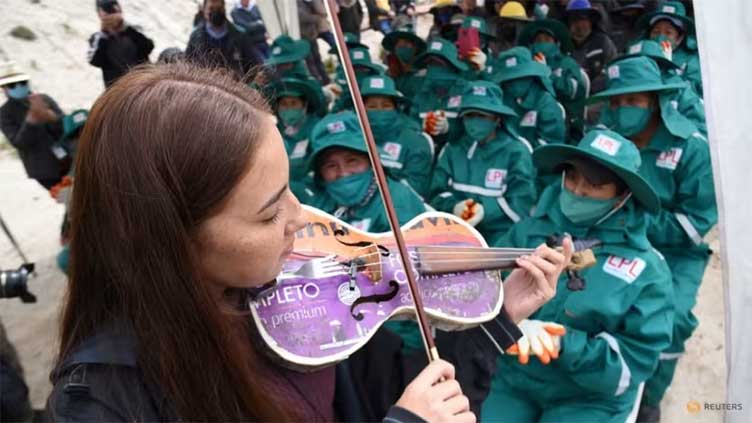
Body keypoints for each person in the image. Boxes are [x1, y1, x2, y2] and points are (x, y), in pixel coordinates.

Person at [44, 63, 479, 423]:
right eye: (269, 212)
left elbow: (389, 383)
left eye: (291, 191)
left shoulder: (288, 287)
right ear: (172, 239)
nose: (301, 218)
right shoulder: (99, 406)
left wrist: (497, 316)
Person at [483, 129, 674, 422]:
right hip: (515, 378)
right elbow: (482, 291)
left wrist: (563, 343)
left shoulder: (646, 271)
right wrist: (505, 319)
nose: (578, 191)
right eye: (572, 178)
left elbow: (632, 364)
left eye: (595, 184)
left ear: (623, 195)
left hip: (589, 399)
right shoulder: (528, 233)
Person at [588, 56, 717, 421]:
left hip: (677, 254)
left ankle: (651, 396)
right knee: (591, 308)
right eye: (615, 101)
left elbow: (696, 223)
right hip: (616, 241)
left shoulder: (692, 148)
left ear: (656, 101)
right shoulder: (608, 141)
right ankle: (602, 389)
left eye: (633, 101)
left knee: (671, 321)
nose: (621, 110)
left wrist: (635, 220)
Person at [430, 80, 536, 242]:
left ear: (497, 119)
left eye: (482, 116)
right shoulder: (452, 149)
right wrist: (454, 207)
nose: (474, 122)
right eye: (469, 116)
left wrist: (485, 210)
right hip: (456, 233)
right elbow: (436, 192)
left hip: (502, 238)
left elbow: (521, 203)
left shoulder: (517, 151)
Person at [300, 111, 427, 231]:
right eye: (331, 165)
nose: (343, 172)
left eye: (352, 161)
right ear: (320, 173)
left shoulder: (397, 203)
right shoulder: (319, 203)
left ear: (371, 161)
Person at [599, 39, 707, 137]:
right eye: (634, 65)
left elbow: (701, 134)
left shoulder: (682, 93)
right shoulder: (617, 99)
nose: (641, 70)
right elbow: (603, 129)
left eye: (649, 64)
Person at [361, 75, 434, 197]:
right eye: (372, 107)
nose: (379, 111)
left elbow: (416, 187)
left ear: (396, 108)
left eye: (386, 106)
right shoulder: (350, 137)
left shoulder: (415, 141)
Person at [0, 62, 70, 190]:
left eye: (22, 83)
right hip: (43, 170)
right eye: (12, 85)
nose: (19, 87)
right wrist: (30, 121)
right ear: (4, 88)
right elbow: (19, 142)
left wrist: (52, 118)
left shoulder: (44, 99)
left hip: (68, 159)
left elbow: (67, 127)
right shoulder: (4, 113)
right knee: (70, 200)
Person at [517, 18, 588, 140]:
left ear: (557, 43)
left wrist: (547, 73)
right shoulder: (526, 64)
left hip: (566, 126)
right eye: (538, 40)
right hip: (529, 121)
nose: (542, 43)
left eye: (547, 40)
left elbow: (572, 92)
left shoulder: (567, 63)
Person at [489, 47, 566, 149]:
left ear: (530, 75)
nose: (513, 84)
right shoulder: (504, 98)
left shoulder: (546, 103)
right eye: (508, 80)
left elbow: (550, 148)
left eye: (519, 77)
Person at [269, 77, 326, 199]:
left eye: (294, 103)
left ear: (304, 105)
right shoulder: (277, 130)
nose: (288, 109)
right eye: (284, 104)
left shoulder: (318, 129)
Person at [410, 38, 470, 148]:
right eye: (430, 64)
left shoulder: (467, 91)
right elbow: (411, 124)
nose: (434, 69)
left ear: (452, 66)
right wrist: (421, 128)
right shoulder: (422, 93)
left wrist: (448, 129)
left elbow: (476, 131)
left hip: (456, 157)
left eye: (439, 64)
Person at [637, 0, 703, 97]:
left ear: (679, 38)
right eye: (656, 31)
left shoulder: (692, 60)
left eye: (668, 33)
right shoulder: (640, 55)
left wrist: (668, 67)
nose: (660, 37)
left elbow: (693, 93)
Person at [186, 0, 264, 77]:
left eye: (219, 8)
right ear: (204, 11)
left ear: (224, 9)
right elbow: (187, 64)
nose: (215, 12)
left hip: (234, 86)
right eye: (211, 9)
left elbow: (256, 63)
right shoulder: (195, 37)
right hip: (204, 85)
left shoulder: (239, 36)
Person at [88, 0, 154, 87]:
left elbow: (148, 47)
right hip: (118, 88)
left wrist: (126, 29)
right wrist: (104, 35)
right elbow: (95, 61)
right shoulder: (98, 38)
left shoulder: (133, 30)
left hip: (144, 81)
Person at [564, 0, 617, 95]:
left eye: (583, 19)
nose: (580, 25)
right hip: (568, 95)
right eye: (575, 20)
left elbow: (612, 68)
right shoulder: (562, 45)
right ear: (569, 23)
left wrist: (590, 89)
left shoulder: (603, 42)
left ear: (591, 21)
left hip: (597, 96)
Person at [382, 21, 427, 99]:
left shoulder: (424, 71)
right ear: (394, 49)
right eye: (399, 45)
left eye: (406, 43)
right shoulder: (389, 75)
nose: (402, 47)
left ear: (415, 48)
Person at [298, 0, 331, 84]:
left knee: (317, 59)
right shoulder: (294, 3)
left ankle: (325, 80)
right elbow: (301, 16)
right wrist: (316, 18)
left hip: (311, 34)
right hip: (304, 36)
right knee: (311, 61)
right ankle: (318, 82)